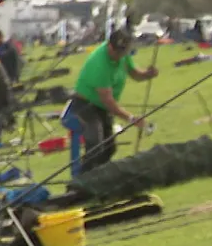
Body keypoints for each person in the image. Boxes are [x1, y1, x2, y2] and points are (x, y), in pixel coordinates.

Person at [65, 28, 158, 174]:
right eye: (118, 53)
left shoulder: (122, 55)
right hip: (85, 105)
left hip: (102, 108)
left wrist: (147, 74)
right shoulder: (99, 63)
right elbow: (108, 101)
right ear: (110, 46)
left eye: (123, 52)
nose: (120, 56)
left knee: (110, 148)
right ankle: (82, 182)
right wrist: (131, 118)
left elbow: (134, 74)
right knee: (96, 145)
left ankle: (101, 178)